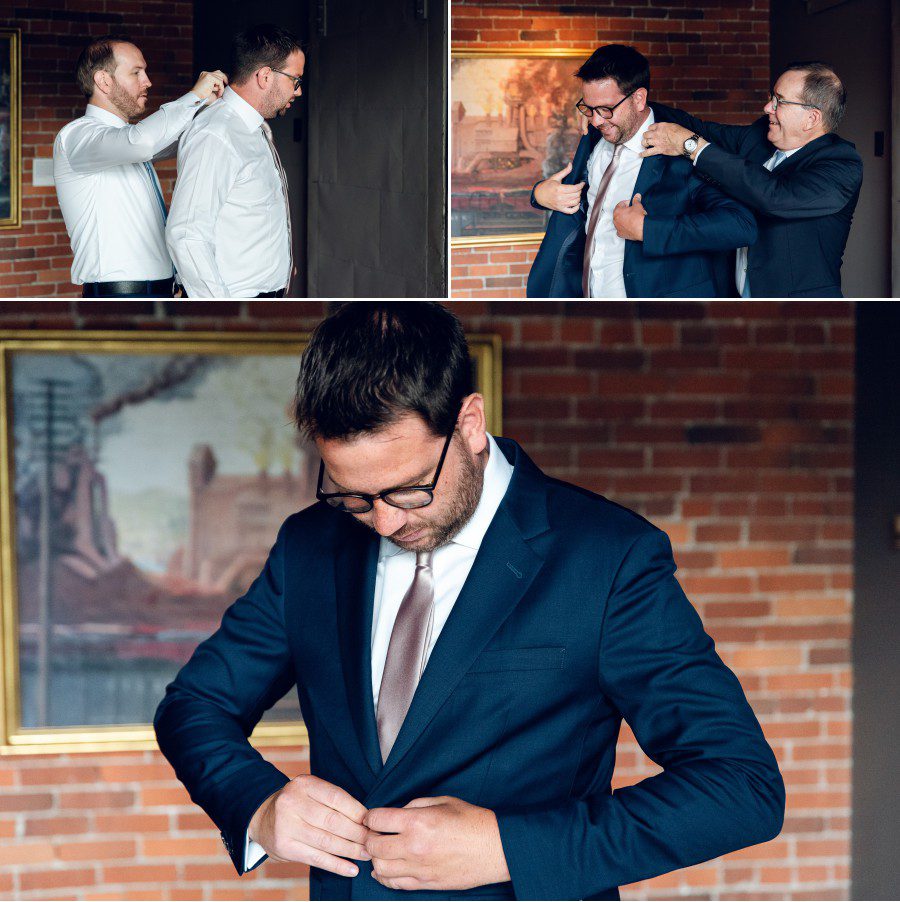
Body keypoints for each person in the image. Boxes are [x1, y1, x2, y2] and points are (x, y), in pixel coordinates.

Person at [155, 302, 785, 901]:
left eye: (406, 490)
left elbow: (740, 787)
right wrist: (260, 805)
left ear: (470, 424)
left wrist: (506, 848)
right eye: (351, 495)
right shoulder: (309, 546)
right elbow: (195, 706)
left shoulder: (610, 558)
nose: (380, 524)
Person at [526, 44, 756, 298]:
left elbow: (740, 225)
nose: (596, 120)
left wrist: (648, 230)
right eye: (589, 109)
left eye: (606, 109)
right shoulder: (594, 135)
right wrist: (539, 194)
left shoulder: (679, 156)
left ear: (638, 99)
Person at [642, 61, 862, 297]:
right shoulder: (758, 137)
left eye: (780, 101)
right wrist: (631, 103)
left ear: (812, 118)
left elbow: (774, 197)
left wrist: (692, 146)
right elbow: (700, 128)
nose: (768, 107)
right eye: (771, 98)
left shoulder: (842, 165)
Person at [53, 35, 227, 298]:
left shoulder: (126, 140)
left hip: (162, 293)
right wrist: (195, 95)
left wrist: (205, 107)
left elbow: (181, 141)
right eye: (136, 73)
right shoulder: (77, 136)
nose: (147, 82)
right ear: (104, 81)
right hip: (116, 298)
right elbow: (143, 142)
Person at [165, 24, 303, 299]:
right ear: (265, 76)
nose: (298, 91)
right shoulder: (217, 133)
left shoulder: (254, 128)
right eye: (295, 80)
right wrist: (219, 304)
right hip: (236, 297)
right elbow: (186, 235)